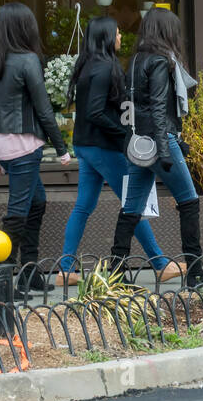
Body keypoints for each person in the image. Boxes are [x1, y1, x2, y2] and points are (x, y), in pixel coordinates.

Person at [59, 15, 183, 284]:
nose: (120, 37)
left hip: (84, 145)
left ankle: (65, 269)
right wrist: (126, 133)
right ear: (105, 37)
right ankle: (160, 263)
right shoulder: (105, 68)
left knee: (84, 206)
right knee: (132, 205)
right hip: (103, 147)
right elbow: (95, 112)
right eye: (116, 33)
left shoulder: (86, 66)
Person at [109, 8, 203, 286]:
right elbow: (158, 109)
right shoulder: (162, 62)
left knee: (131, 208)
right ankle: (196, 270)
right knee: (189, 202)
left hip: (139, 144)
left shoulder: (137, 59)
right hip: (160, 142)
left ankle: (116, 272)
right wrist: (167, 152)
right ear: (167, 32)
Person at [0, 2, 72, 298]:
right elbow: (44, 109)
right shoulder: (28, 60)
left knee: (37, 203)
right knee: (18, 211)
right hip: (24, 143)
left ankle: (29, 273)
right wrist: (62, 148)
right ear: (25, 28)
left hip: (0, 140)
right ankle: (3, 280)